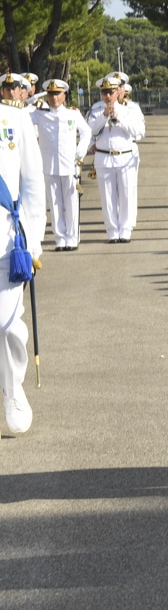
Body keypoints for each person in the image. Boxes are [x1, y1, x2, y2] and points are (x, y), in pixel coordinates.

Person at [0, 73, 43, 436]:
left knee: (9, 324)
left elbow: (32, 184)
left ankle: (13, 390)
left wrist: (34, 240)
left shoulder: (14, 119)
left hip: (6, 241)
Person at [30, 79, 91, 251]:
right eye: (50, 94)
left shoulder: (72, 114)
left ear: (64, 95)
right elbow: (22, 113)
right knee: (55, 204)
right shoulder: (39, 114)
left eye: (57, 93)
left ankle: (72, 237)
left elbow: (86, 132)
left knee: (71, 203)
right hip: (49, 166)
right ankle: (60, 239)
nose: (54, 97)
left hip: (70, 165)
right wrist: (34, 98)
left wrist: (80, 152)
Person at [87, 71, 146, 243]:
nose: (107, 96)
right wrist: (105, 115)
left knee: (126, 195)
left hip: (125, 156)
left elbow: (139, 131)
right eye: (104, 93)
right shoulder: (96, 110)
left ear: (117, 92)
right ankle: (112, 231)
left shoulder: (128, 110)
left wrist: (119, 118)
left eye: (110, 92)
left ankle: (126, 229)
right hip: (104, 157)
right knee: (107, 197)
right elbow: (90, 130)